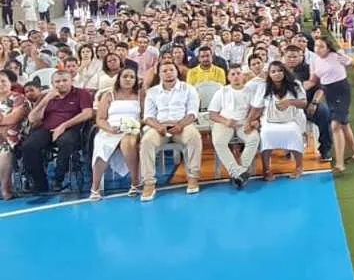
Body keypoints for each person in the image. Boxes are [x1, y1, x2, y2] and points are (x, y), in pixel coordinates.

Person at [23, 70, 95, 194]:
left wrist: (64, 126)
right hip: (47, 129)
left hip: (71, 129)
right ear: (52, 84)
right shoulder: (45, 96)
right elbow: (32, 118)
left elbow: (88, 113)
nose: (61, 84)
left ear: (71, 81)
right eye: (57, 81)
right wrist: (46, 100)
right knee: (28, 146)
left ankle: (58, 179)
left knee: (65, 142)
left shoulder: (81, 93)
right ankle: (40, 183)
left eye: (65, 80)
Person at [140, 60, 202, 201]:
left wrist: (180, 125)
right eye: (164, 71)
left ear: (176, 72)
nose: (168, 73)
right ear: (159, 74)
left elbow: (193, 113)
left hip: (182, 125)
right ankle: (149, 183)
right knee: (146, 141)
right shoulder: (152, 92)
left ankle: (193, 177)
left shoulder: (188, 89)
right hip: (160, 126)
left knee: (194, 137)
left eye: (171, 70)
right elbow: (148, 116)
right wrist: (158, 127)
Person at [304, 35, 354, 174]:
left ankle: (340, 163)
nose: (318, 49)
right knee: (344, 123)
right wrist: (298, 87)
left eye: (321, 46)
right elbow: (313, 80)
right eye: (316, 46)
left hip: (341, 91)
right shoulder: (315, 61)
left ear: (328, 48)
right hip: (329, 93)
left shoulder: (337, 56)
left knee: (335, 126)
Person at [248, 61, 308, 181]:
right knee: (266, 134)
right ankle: (266, 170)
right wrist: (248, 121)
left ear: (285, 72)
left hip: (291, 119)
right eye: (273, 72)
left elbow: (304, 103)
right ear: (269, 74)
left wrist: (290, 102)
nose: (277, 74)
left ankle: (299, 167)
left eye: (280, 71)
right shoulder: (263, 87)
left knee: (294, 132)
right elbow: (257, 108)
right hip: (269, 120)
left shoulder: (295, 84)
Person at [91, 67, 142, 200]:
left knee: (129, 143)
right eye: (125, 76)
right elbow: (100, 119)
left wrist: (134, 125)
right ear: (119, 79)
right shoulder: (109, 95)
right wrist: (109, 129)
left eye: (132, 77)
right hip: (110, 128)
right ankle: (95, 187)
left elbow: (145, 116)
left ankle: (135, 183)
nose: (128, 79)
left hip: (132, 129)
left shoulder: (140, 95)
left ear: (135, 80)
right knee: (102, 145)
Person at [208, 64, 261, 188]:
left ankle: (239, 172)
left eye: (238, 73)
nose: (236, 76)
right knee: (219, 141)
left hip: (244, 122)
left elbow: (257, 110)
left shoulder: (251, 91)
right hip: (225, 122)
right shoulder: (222, 91)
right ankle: (238, 173)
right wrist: (225, 122)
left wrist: (254, 121)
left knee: (254, 139)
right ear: (228, 77)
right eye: (233, 74)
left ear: (243, 76)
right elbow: (212, 114)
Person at [0, 73, 29, 200]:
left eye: (3, 81)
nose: (0, 84)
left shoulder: (19, 98)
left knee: (5, 150)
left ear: (10, 83)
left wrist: (3, 123)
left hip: (15, 133)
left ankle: (5, 188)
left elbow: (14, 118)